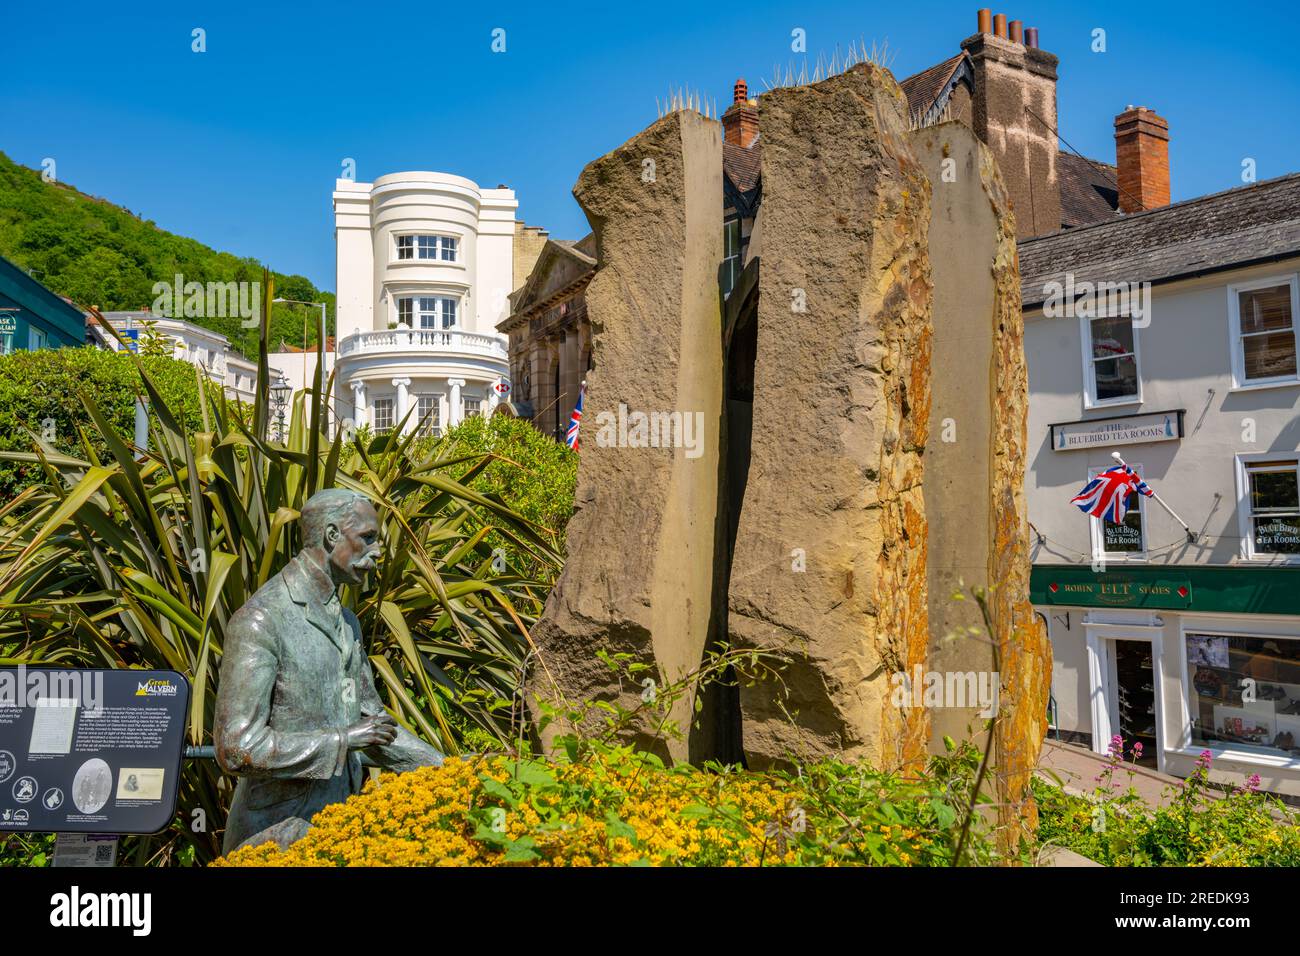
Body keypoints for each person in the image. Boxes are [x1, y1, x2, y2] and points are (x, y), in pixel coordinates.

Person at [215, 489, 443, 853]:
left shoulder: (347, 621)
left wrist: (447, 769)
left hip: (337, 832)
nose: (378, 551)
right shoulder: (262, 619)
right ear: (332, 535)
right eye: (367, 538)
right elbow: (237, 748)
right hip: (273, 841)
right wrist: (342, 740)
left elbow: (375, 725)